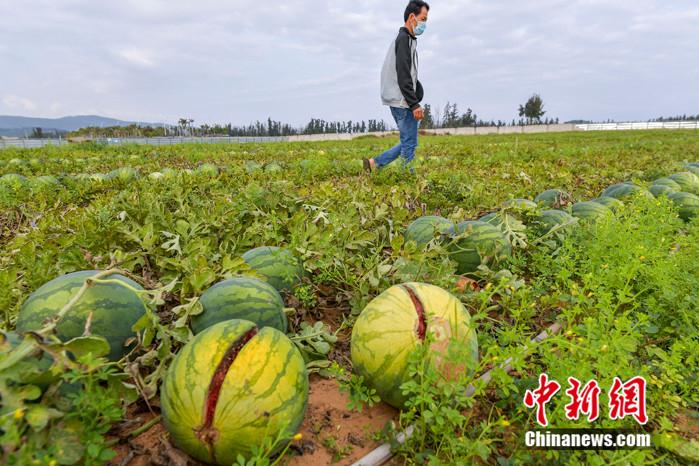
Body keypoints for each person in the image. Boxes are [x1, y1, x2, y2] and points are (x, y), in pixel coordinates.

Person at [363, 1, 429, 173]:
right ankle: (407, 178)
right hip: (401, 100)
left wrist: (417, 90)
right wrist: (414, 104)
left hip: (401, 97)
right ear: (412, 17)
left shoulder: (409, 40)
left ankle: (374, 164)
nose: (425, 24)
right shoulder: (403, 39)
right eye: (423, 19)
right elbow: (403, 74)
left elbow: (408, 73)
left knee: (409, 141)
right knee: (409, 143)